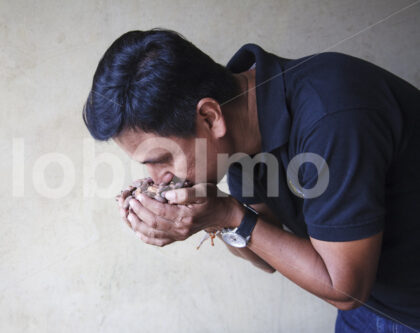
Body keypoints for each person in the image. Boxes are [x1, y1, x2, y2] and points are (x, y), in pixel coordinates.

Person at [82, 28, 420, 332]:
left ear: (210, 117)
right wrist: (206, 216)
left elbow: (344, 288)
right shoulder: (240, 133)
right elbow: (264, 255)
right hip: (373, 306)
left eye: (162, 159)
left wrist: (226, 213)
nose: (158, 178)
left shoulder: (333, 117)